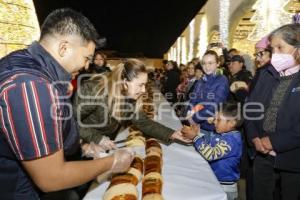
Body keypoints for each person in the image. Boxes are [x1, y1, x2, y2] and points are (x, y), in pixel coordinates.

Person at [0, 8, 134, 199]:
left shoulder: (29, 63)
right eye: (86, 58)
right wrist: (112, 162)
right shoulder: (31, 86)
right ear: (64, 48)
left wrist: (84, 147)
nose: (87, 66)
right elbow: (51, 178)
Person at [72, 59, 190, 150]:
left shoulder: (130, 97)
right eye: (140, 85)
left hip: (104, 141)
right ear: (125, 82)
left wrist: (172, 134)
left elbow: (143, 122)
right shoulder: (93, 90)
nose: (144, 90)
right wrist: (96, 139)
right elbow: (69, 122)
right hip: (77, 144)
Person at [245, 23, 300, 200]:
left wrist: (274, 142)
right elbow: (250, 108)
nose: (275, 54)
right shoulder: (265, 73)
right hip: (262, 153)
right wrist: (254, 137)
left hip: (293, 158)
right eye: (272, 49)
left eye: (280, 48)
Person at [182, 103, 243, 200]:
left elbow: (210, 154)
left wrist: (195, 137)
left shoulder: (232, 140)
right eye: (215, 119)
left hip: (225, 187)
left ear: (232, 123)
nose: (214, 122)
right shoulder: (222, 134)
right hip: (215, 180)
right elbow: (209, 144)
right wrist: (198, 134)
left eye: (218, 120)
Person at [185, 50, 229, 135]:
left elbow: (214, 106)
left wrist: (194, 118)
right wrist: (189, 113)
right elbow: (193, 99)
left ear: (218, 63)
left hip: (211, 128)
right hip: (196, 125)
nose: (207, 66)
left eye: (210, 63)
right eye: (204, 63)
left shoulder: (222, 80)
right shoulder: (201, 80)